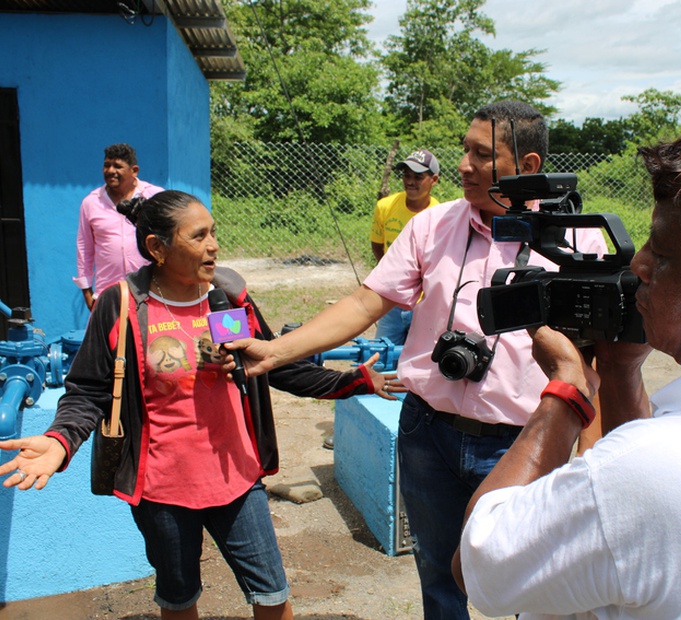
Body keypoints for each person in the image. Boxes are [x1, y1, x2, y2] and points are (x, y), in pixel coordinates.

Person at [224, 100, 624, 619]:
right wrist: (274, 350)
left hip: (524, 439)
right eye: (464, 149)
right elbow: (367, 302)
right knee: (437, 573)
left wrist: (589, 452)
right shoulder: (432, 226)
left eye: (482, 154)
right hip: (427, 434)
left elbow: (600, 362)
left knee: (531, 582)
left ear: (526, 167)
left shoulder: (577, 240)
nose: (463, 165)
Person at [452, 114, 681, 618]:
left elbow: (478, 568)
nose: (637, 266)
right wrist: (621, 371)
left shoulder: (655, 473)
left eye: (663, 251)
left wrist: (569, 389)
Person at [0, 190, 394, 620]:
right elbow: (90, 389)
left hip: (237, 481)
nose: (214, 245)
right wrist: (61, 441)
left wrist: (353, 382)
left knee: (272, 596)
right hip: (161, 491)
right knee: (179, 599)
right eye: (199, 235)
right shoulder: (125, 304)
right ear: (157, 248)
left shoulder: (223, 298)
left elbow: (271, 364)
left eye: (214, 233)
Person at [74, 143, 164, 311]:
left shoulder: (154, 197)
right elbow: (84, 248)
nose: (110, 171)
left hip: (149, 292)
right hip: (107, 294)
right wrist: (87, 294)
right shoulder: (91, 203)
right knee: (111, 338)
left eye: (117, 166)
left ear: (134, 170)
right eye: (107, 165)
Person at [370, 149, 440, 345]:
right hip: (391, 300)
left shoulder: (440, 215)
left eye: (418, 177)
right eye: (406, 176)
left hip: (424, 305)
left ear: (433, 180)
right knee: (381, 357)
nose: (410, 182)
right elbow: (377, 245)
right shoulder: (385, 206)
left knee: (419, 361)